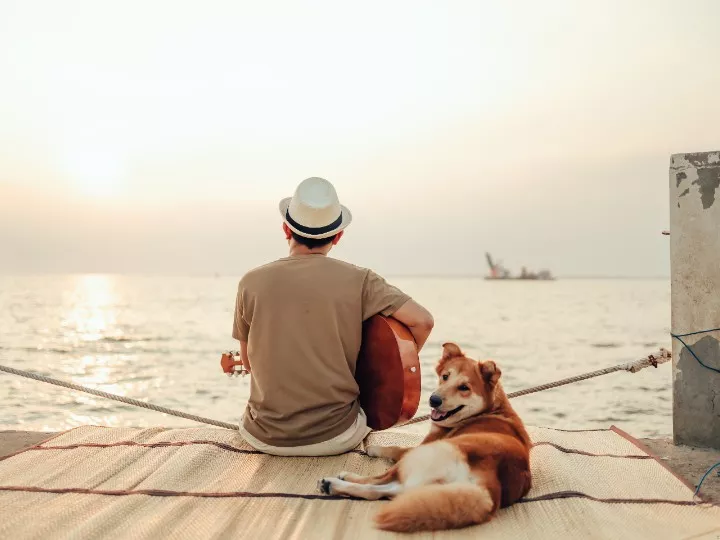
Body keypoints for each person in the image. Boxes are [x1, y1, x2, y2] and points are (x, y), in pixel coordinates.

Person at [232, 177, 434, 456]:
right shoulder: (361, 280)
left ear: (285, 229)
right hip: (337, 437)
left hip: (264, 437)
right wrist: (387, 371)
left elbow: (248, 363)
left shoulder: (250, 282)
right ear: (338, 236)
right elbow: (422, 321)